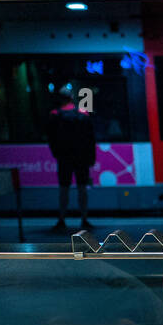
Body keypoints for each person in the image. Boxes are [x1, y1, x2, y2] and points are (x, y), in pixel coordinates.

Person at [46, 85, 96, 233]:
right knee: (82, 188)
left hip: (64, 158)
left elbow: (51, 138)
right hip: (81, 158)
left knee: (64, 189)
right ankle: (84, 219)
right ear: (72, 98)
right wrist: (91, 157)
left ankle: (62, 219)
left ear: (61, 99)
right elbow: (90, 139)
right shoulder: (83, 114)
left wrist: (57, 154)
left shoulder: (55, 114)